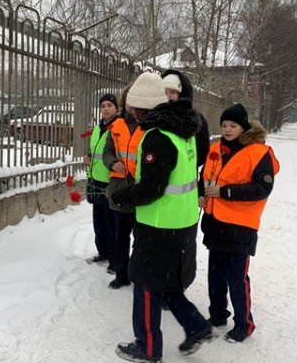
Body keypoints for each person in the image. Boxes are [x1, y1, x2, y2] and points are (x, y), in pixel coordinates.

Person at [110, 72, 215, 363]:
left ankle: (147, 347)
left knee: (144, 284)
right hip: (182, 221)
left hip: (158, 224)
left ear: (143, 108)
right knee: (166, 282)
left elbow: (151, 189)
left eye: (134, 109)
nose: (132, 114)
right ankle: (196, 326)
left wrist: (122, 196)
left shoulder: (157, 137)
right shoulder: (186, 131)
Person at [199, 103, 280, 343]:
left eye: (232, 125)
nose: (227, 129)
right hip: (215, 223)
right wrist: (201, 195)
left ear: (243, 127)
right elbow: (204, 178)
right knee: (215, 275)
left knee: (236, 277)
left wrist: (225, 192)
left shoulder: (259, 152)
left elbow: (263, 188)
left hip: (240, 228)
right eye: (224, 125)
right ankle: (217, 315)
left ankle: (244, 324)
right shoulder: (216, 149)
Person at [102, 84, 142, 289]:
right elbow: (107, 151)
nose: (132, 106)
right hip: (119, 188)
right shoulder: (116, 126)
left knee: (141, 237)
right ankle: (121, 273)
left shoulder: (149, 126)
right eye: (128, 101)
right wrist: (112, 163)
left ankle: (138, 273)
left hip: (141, 188)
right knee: (121, 235)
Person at [84, 94, 121, 268]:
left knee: (111, 224)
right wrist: (89, 157)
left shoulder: (118, 128)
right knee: (98, 222)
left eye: (109, 105)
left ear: (116, 108)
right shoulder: (98, 128)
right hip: (96, 180)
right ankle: (103, 252)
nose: (106, 109)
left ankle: (115, 260)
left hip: (111, 182)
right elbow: (96, 151)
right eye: (103, 106)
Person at [161, 69, 210, 167]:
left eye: (173, 92)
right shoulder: (154, 118)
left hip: (185, 178)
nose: (168, 96)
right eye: (164, 92)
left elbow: (202, 151)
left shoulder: (196, 120)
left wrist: (178, 163)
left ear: (182, 94)